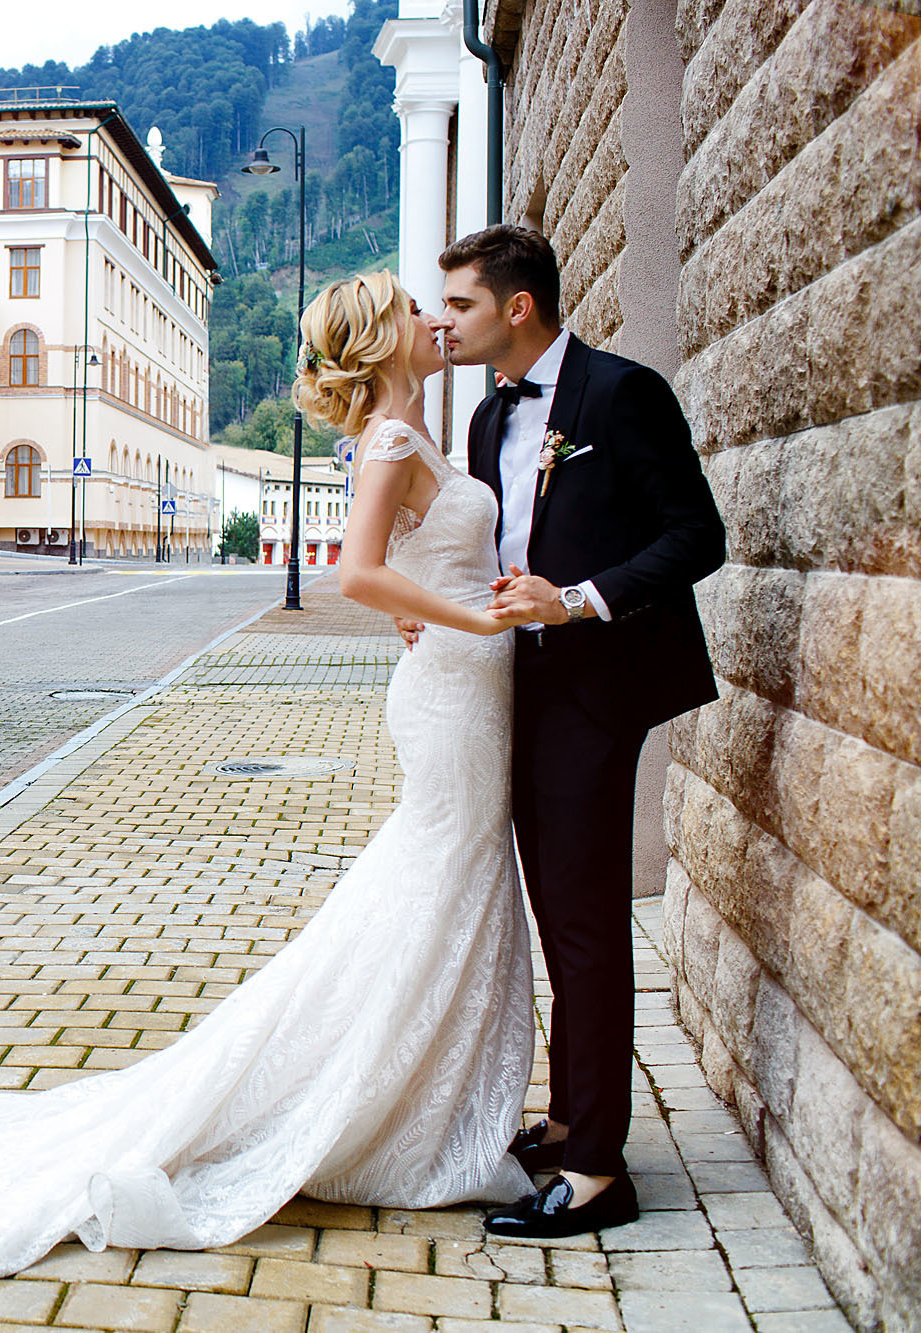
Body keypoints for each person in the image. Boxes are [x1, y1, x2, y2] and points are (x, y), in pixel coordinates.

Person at [0, 271, 547, 1309]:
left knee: (444, 883)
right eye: (414, 307)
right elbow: (356, 574)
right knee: (438, 878)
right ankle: (393, 1111)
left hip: (465, 686)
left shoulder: (418, 434)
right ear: (383, 338)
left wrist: (440, 608)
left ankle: (425, 1098)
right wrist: (473, 617)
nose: (432, 318)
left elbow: (409, 563)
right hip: (454, 690)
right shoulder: (389, 440)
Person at [414, 224, 725, 1239]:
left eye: (460, 303)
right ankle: (568, 1117)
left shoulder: (621, 393)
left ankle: (597, 1170)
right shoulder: (484, 416)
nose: (444, 321)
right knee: (556, 914)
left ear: (517, 306)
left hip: (593, 688)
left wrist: (579, 599)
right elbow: (492, 548)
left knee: (586, 924)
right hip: (512, 688)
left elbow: (696, 536)